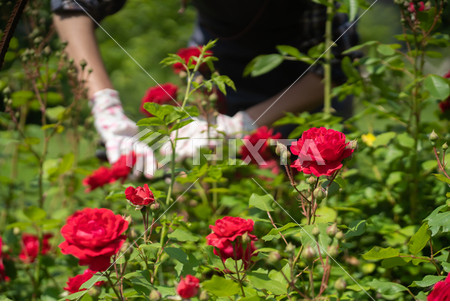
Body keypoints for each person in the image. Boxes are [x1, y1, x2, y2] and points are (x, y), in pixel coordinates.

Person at [51, 0, 358, 175]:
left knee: (311, 183)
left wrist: (242, 125)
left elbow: (336, 66)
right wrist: (108, 112)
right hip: (216, 60)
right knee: (199, 180)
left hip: (306, 82)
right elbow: (71, 5)